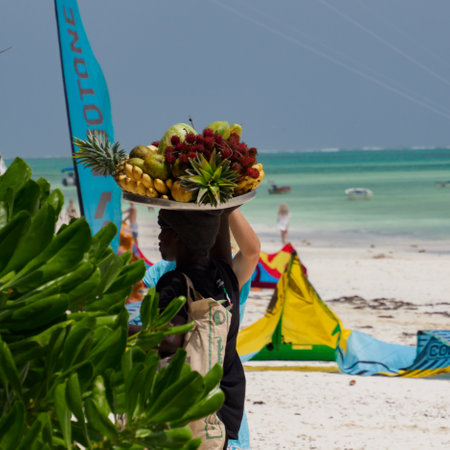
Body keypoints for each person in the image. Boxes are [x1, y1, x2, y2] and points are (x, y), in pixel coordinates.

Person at [129, 208, 259, 447]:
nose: (159, 237)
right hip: (226, 407)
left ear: (180, 235)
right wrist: (222, 204)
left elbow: (168, 340)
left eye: (164, 230)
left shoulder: (173, 281)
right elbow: (220, 238)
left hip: (191, 408)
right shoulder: (225, 276)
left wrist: (119, 330)